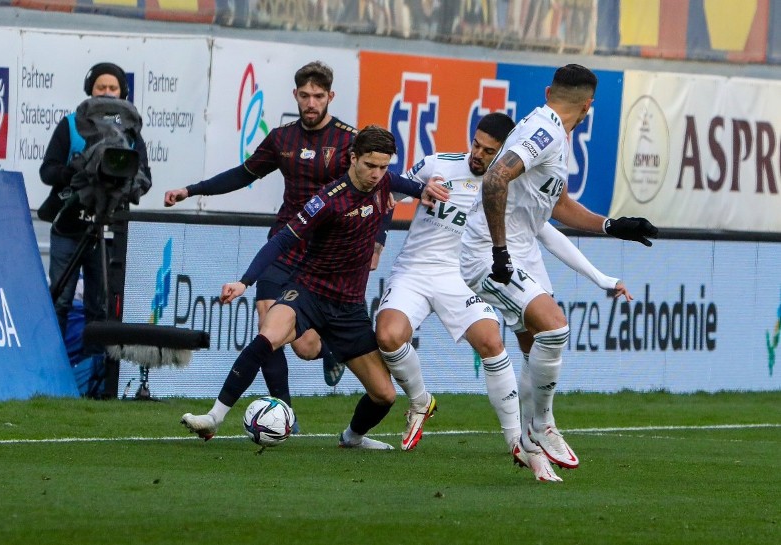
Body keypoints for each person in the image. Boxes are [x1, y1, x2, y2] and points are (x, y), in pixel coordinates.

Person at [377, 113, 633, 456]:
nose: (477, 154)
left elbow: (549, 234)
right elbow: (386, 187)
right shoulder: (437, 164)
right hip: (415, 271)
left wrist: (602, 277)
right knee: (388, 336)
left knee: (492, 342)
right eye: (475, 144)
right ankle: (421, 401)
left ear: (504, 152)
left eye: (487, 150)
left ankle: (517, 441)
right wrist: (415, 193)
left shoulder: (508, 189)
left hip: (464, 276)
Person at [180, 125, 449, 449]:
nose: (378, 174)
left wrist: (428, 190)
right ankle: (214, 418)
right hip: (308, 292)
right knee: (268, 336)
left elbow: (414, 187)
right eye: (370, 166)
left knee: (385, 395)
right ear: (353, 158)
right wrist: (244, 281)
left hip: (349, 307)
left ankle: (352, 439)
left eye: (383, 166)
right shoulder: (326, 200)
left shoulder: (386, 182)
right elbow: (281, 241)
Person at [459, 64, 658, 481]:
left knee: (535, 349)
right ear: (589, 106)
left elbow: (559, 206)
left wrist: (612, 226)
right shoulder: (544, 132)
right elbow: (495, 179)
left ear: (551, 90)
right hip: (490, 252)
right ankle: (542, 427)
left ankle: (532, 444)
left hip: (516, 250)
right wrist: (499, 251)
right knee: (556, 328)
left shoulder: (554, 135)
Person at [163, 61, 371, 404]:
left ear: (330, 96)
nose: (311, 103)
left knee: (306, 348)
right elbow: (243, 174)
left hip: (326, 251)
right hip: (286, 242)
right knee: (267, 325)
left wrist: (375, 241)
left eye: (318, 96)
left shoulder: (350, 141)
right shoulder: (282, 138)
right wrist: (192, 190)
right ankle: (283, 412)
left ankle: (330, 349)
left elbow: (376, 190)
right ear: (295, 95)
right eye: (304, 95)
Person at [40, 62, 152, 343]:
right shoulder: (70, 124)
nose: (107, 92)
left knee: (99, 307)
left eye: (113, 88)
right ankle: (54, 367)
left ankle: (95, 376)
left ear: (122, 92)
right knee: (60, 302)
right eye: (101, 87)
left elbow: (145, 179)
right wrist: (77, 173)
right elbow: (48, 171)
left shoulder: (131, 132)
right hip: (69, 225)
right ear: (90, 90)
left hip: (110, 229)